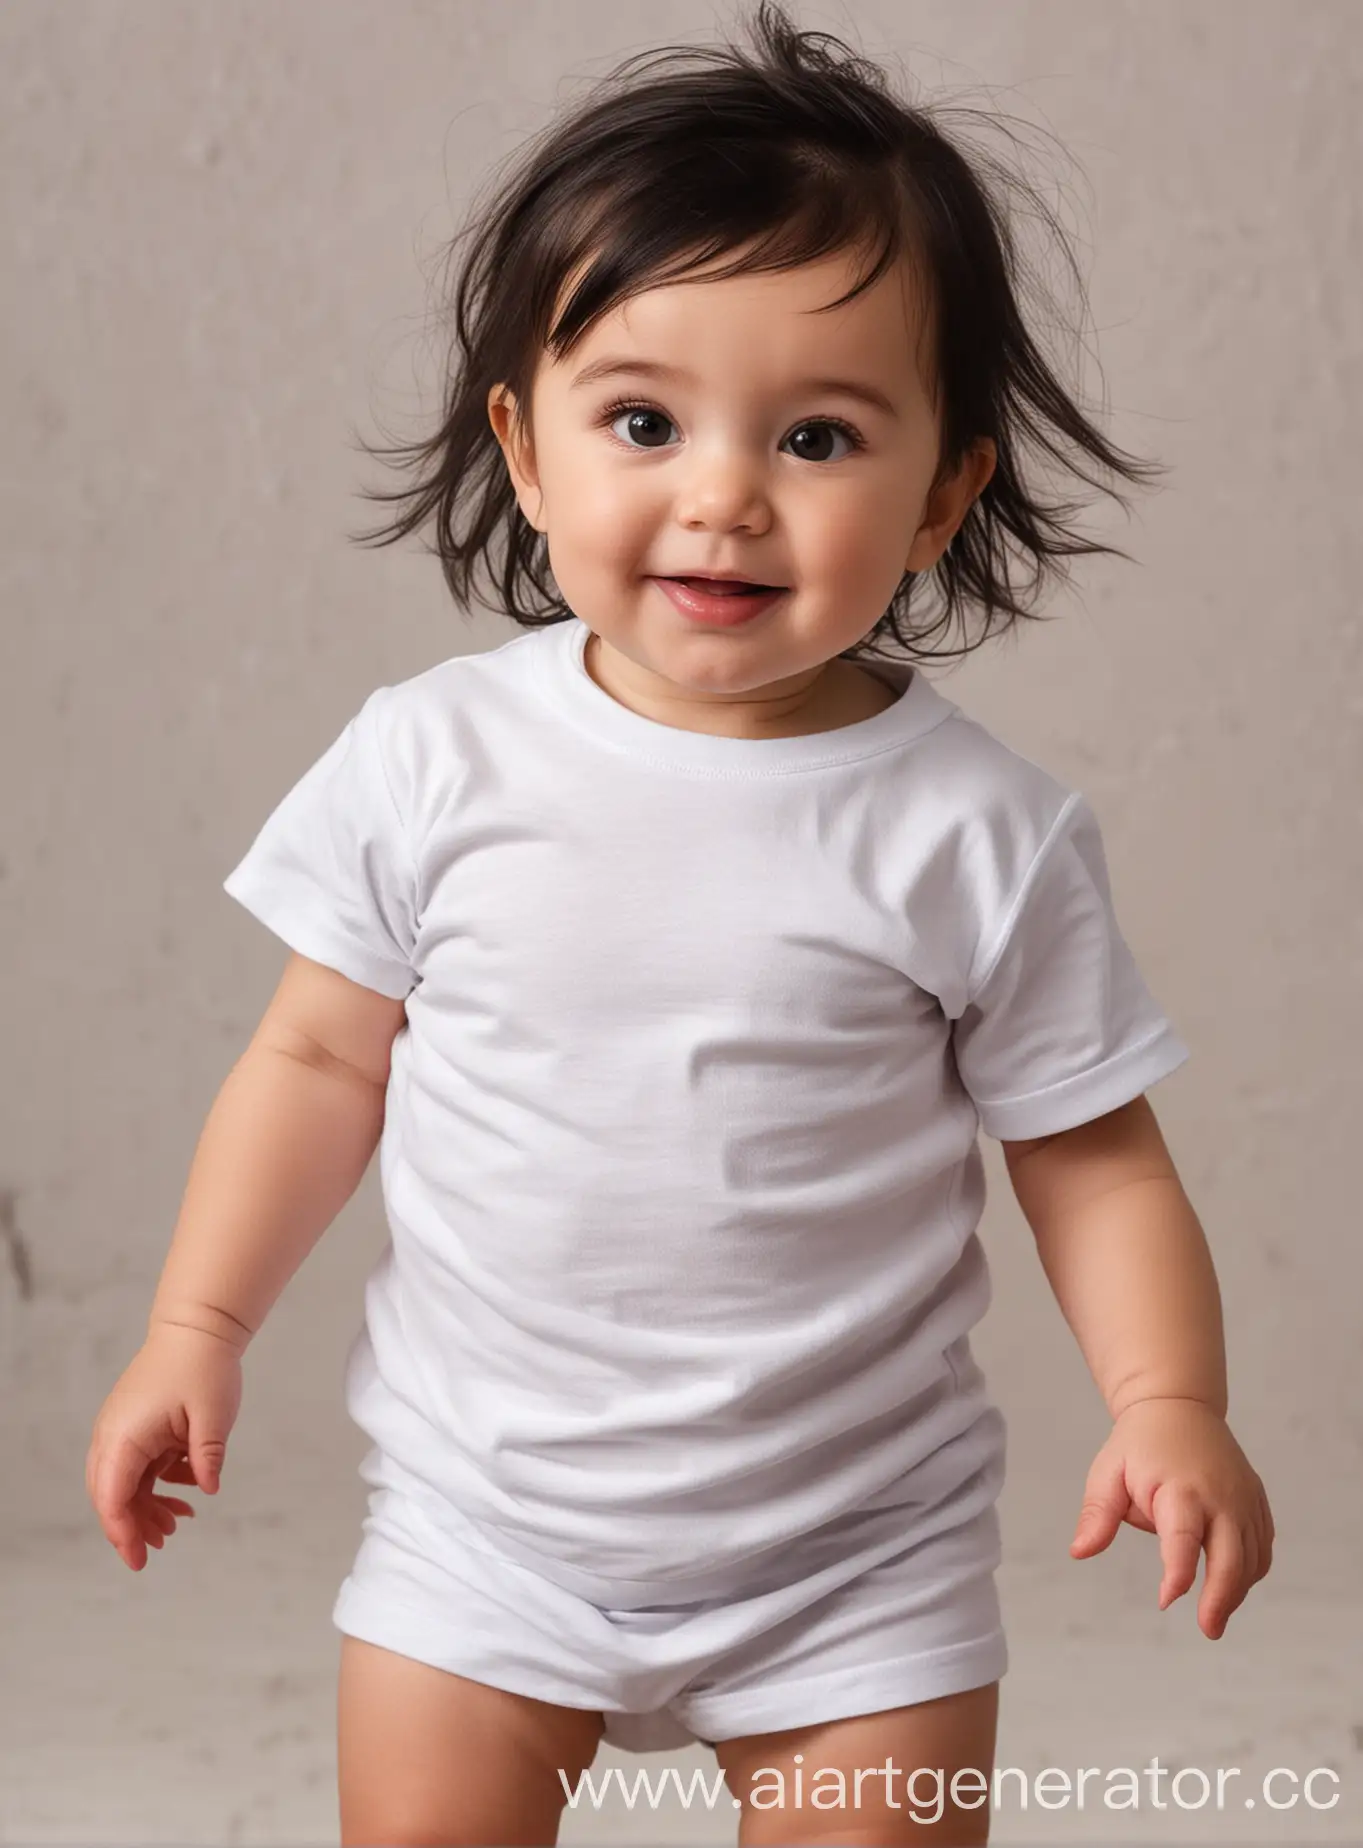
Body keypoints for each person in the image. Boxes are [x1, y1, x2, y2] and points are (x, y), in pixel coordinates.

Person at [86, 5, 1274, 1843]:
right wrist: (195, 1324)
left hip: (854, 1552)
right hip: (485, 1531)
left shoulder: (981, 833)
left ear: (948, 490)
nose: (722, 492)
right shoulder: (435, 761)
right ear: (530, 447)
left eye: (816, 435)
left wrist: (1169, 1396)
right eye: (643, 419)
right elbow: (319, 1058)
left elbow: (1098, 1159)